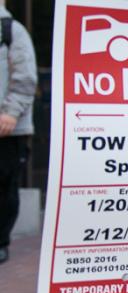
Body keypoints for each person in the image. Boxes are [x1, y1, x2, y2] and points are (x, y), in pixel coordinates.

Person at [0, 5, 37, 264]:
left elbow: (25, 77)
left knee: (4, 189)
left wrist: (11, 113)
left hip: (7, 129)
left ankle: (1, 242)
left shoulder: (12, 31)